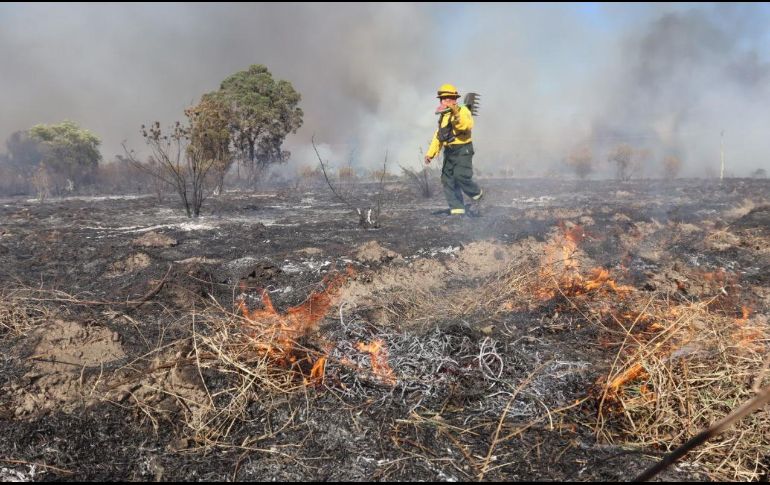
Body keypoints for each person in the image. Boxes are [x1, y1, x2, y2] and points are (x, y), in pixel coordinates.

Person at [424, 83, 483, 216]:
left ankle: (478, 195)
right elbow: (439, 136)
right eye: (442, 98)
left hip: (463, 149)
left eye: (448, 98)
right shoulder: (444, 115)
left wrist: (456, 113)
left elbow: (465, 126)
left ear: (455, 99)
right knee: (447, 179)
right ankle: (457, 210)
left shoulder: (463, 111)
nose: (445, 101)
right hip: (449, 151)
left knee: (460, 176)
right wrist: (430, 154)